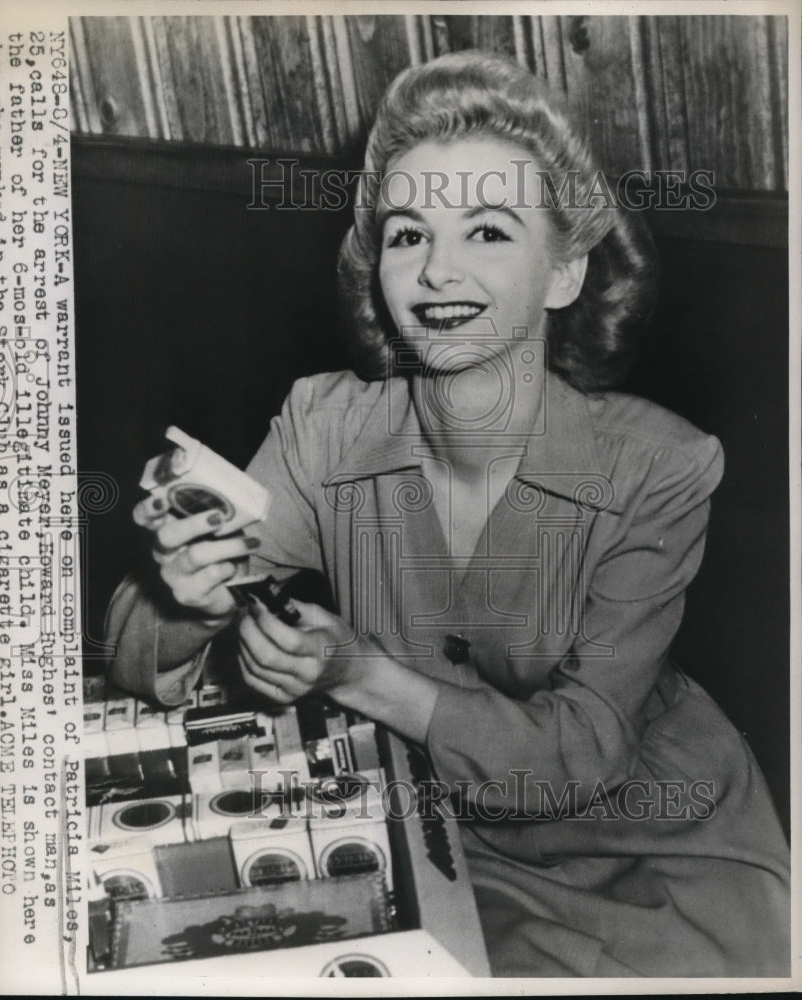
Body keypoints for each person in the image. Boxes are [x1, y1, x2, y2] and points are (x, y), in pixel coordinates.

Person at [107, 51, 790, 976]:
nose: (436, 271)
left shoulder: (658, 466)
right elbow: (135, 649)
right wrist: (189, 600)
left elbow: (582, 752)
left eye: (488, 232)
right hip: (428, 828)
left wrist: (358, 672)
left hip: (647, 849)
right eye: (406, 233)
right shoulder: (325, 426)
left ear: (564, 273)